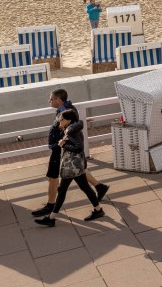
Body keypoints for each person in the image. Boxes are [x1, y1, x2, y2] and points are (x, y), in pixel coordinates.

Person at [33, 89, 108, 220]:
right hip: (67, 156)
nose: (49, 101)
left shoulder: (68, 114)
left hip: (63, 153)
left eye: (51, 99)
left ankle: (51, 209)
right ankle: (99, 193)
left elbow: (76, 142)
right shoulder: (66, 111)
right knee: (80, 181)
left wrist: (62, 144)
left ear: (58, 100)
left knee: (54, 178)